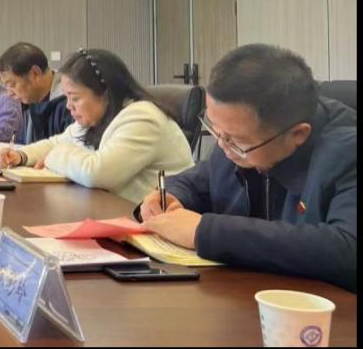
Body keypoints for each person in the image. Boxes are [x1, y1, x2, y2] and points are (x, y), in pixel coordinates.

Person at [137, 45, 356, 291]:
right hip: (243, 294)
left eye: (236, 140)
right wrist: (169, 196)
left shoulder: (347, 152)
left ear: (298, 134)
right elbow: (199, 180)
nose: (222, 144)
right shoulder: (235, 138)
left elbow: (347, 249)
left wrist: (205, 232)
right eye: (214, 129)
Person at [0, 48, 193, 203]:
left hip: (155, 225)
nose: (68, 106)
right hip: (117, 212)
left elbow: (96, 173)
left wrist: (52, 156)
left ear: (105, 94)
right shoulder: (98, 116)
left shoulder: (142, 117)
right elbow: (57, 142)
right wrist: (21, 156)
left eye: (75, 98)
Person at [0, 42, 73, 145]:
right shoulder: (29, 100)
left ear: (35, 74)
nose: (9, 93)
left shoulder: (70, 102)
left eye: (12, 84)